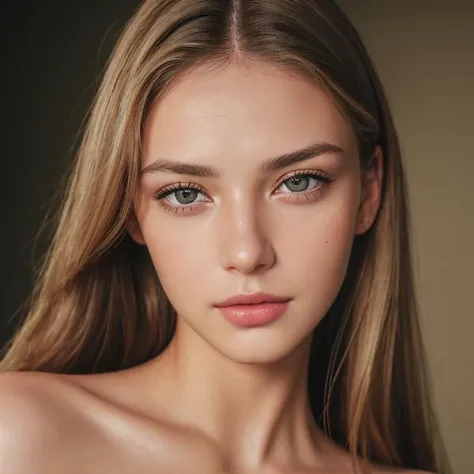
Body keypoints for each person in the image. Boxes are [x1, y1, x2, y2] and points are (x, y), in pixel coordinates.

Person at [0, 1, 451, 473]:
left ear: (368, 190)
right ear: (130, 209)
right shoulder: (23, 439)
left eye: (299, 182)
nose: (247, 252)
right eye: (185, 192)